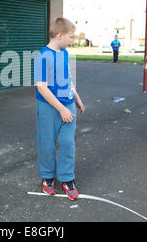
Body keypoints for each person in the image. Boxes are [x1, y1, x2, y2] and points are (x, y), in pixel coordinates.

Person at [34, 18, 85, 200]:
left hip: (68, 103)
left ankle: (66, 178)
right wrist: (61, 109)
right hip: (49, 107)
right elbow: (42, 87)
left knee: (67, 143)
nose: (72, 40)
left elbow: (68, 79)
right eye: (70, 37)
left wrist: (76, 98)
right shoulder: (42, 56)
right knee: (47, 144)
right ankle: (47, 177)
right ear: (60, 35)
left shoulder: (64, 53)